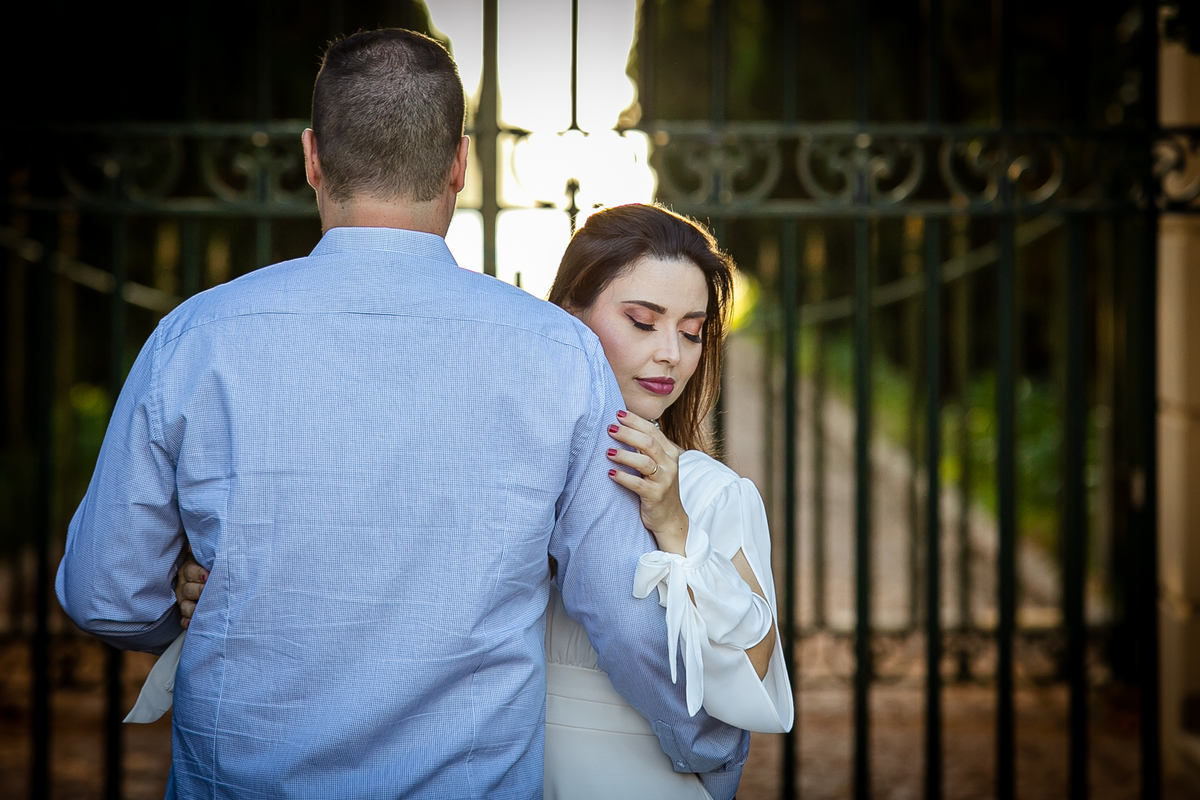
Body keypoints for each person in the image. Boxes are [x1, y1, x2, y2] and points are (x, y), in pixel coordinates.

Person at [54, 29, 747, 800]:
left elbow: (105, 593)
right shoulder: (556, 354)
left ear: (312, 157)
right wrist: (712, 746)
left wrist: (196, 606)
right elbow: (620, 608)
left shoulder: (196, 338)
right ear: (458, 164)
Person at [169, 204, 794, 799]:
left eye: (691, 333)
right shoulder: (494, 462)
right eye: (642, 322)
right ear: (567, 317)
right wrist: (225, 583)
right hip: (480, 773)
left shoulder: (713, 492)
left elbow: (754, 664)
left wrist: (676, 528)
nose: (670, 354)